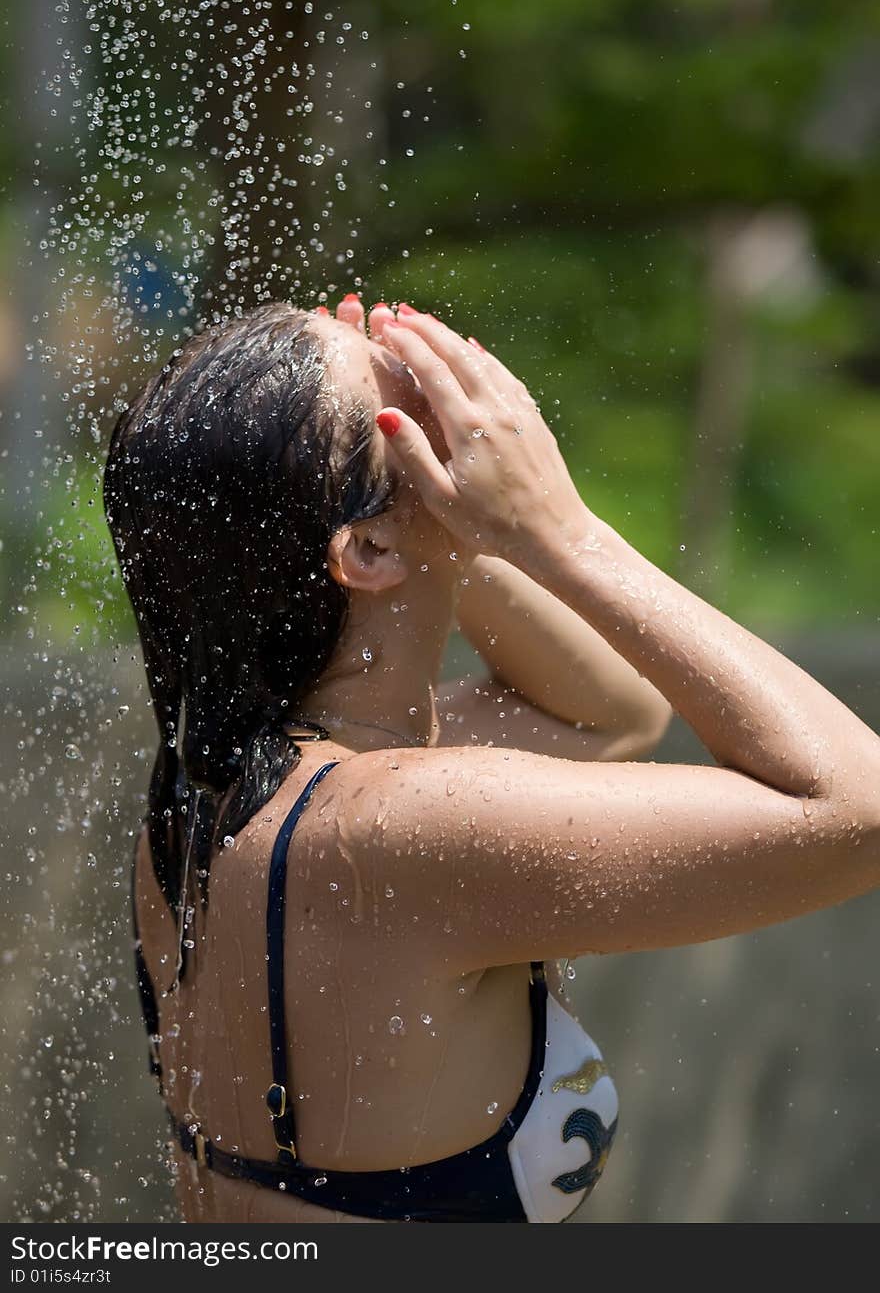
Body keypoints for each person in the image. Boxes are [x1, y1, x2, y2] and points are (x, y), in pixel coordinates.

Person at [105, 297, 880, 1224]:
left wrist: (475, 528)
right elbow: (858, 809)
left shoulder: (225, 793)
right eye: (406, 403)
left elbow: (610, 718)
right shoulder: (394, 831)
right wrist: (559, 533)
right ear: (367, 547)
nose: (457, 409)